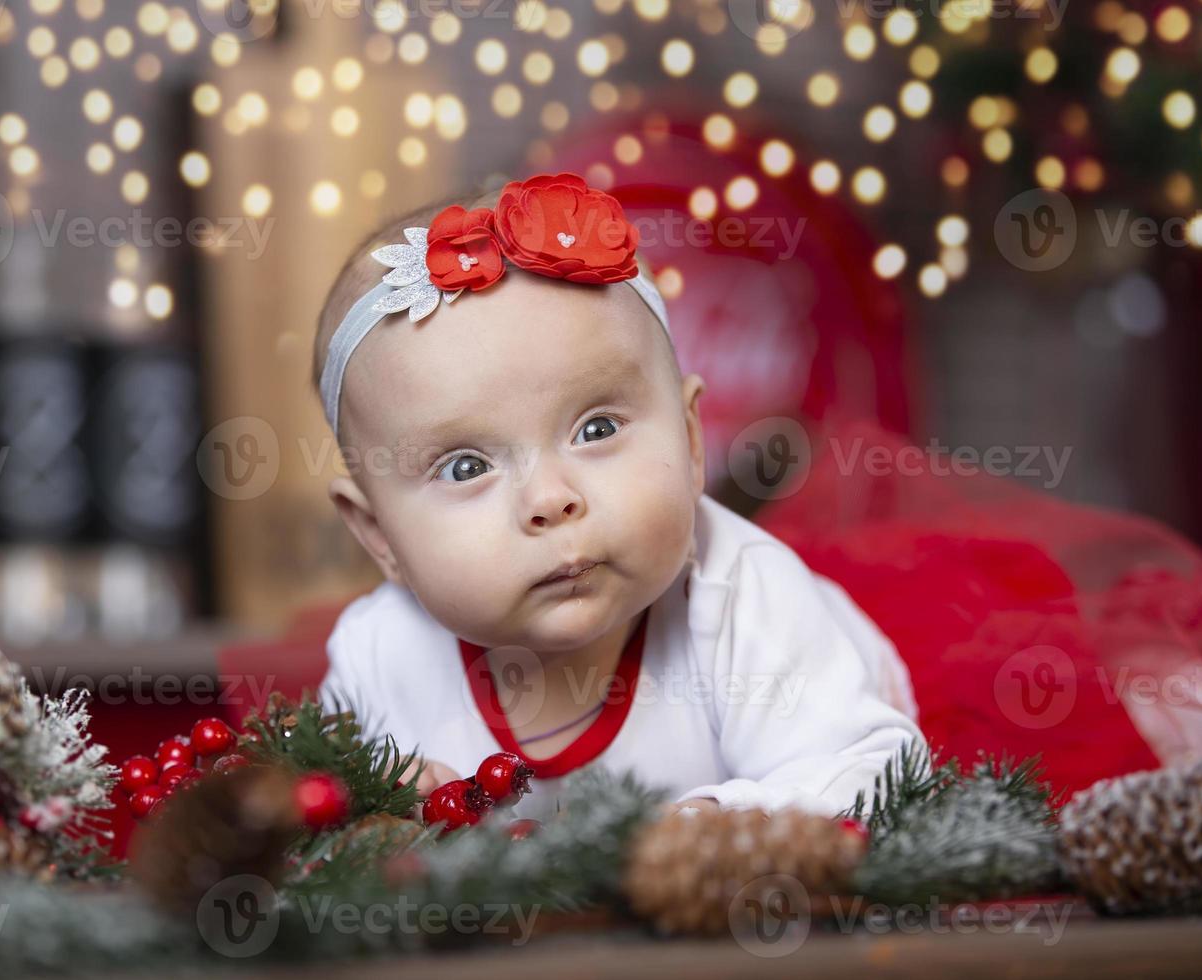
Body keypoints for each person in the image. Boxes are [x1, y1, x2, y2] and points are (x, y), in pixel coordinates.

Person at [312, 172, 923, 819]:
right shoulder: (379, 655)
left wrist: (721, 826)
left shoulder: (741, 600)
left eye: (596, 429)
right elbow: (315, 825)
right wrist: (375, 813)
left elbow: (868, 777)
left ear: (690, 443)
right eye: (465, 467)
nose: (550, 499)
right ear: (378, 534)